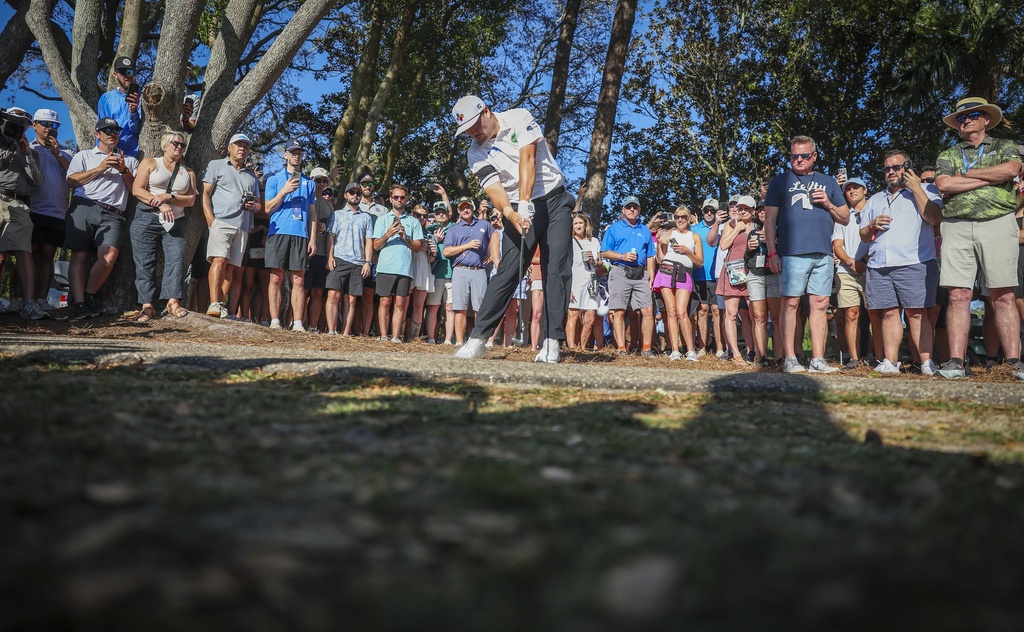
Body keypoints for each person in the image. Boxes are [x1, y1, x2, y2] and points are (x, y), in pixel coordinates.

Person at [449, 95, 576, 363]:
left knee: (557, 268)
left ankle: (552, 341)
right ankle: (478, 338)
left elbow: (527, 158)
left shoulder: (519, 117)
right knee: (508, 270)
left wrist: (527, 201)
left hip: (554, 200)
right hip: (515, 207)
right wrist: (510, 212)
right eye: (466, 130)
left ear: (486, 111)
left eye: (474, 124)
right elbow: (494, 188)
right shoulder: (474, 152)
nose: (472, 132)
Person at [933, 97, 1023, 379]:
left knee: (1003, 294)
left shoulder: (1005, 146)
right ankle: (956, 362)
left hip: (997, 222)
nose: (966, 120)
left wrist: (968, 175)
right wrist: (990, 178)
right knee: (958, 294)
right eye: (961, 118)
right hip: (956, 224)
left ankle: (1013, 362)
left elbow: (1011, 170)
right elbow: (944, 184)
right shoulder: (948, 154)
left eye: (973, 115)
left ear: (986, 119)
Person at [764, 135, 851, 373]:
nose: (799, 160)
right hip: (791, 252)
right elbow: (769, 221)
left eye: (804, 155)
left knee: (821, 304)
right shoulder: (779, 182)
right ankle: (790, 358)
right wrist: (772, 253)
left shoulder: (829, 182)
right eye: (794, 156)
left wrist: (829, 204)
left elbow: (845, 217)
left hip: (823, 252)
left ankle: (818, 359)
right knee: (790, 302)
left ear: (814, 156)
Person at [861, 150, 943, 375]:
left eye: (896, 167)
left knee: (917, 314)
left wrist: (916, 187)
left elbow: (935, 218)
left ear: (908, 167)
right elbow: (863, 235)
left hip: (914, 262)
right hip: (880, 265)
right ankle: (891, 362)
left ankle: (926, 362)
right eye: (887, 168)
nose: (891, 172)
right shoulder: (876, 199)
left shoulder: (927, 190)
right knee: (888, 313)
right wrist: (872, 226)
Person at [63, 117, 139, 319]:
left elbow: (135, 190)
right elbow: (71, 181)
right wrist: (101, 167)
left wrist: (123, 170)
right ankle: (78, 303)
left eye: (115, 130)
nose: (112, 133)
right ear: (97, 134)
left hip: (113, 213)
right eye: (107, 130)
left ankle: (89, 295)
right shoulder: (84, 156)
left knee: (109, 256)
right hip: (84, 206)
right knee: (79, 255)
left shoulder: (130, 160)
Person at [129, 131, 197, 322]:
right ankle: (147, 305)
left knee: (176, 259)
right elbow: (137, 189)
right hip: (146, 218)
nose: (178, 147)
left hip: (175, 221)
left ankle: (172, 301)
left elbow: (191, 200)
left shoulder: (188, 172)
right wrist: (159, 202)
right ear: (164, 145)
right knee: (144, 262)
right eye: (175, 143)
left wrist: (169, 197)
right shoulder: (151, 163)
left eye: (182, 145)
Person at [201, 133, 261, 319]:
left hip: (242, 226)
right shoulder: (216, 165)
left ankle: (219, 305)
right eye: (238, 144)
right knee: (219, 260)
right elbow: (204, 193)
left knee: (231, 268)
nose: (242, 148)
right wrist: (211, 219)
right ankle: (213, 303)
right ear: (229, 147)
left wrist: (254, 206)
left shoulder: (251, 176)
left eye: (245, 146)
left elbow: (259, 205)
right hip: (222, 221)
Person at [0, 107, 47, 320]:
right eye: (12, 124)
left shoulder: (31, 152)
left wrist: (26, 152)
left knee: (23, 251)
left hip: (18, 203)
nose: (16, 129)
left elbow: (37, 182)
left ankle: (29, 303)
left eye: (21, 126)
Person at [264, 137, 316, 331]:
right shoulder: (274, 179)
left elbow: (312, 213)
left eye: (299, 153)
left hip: (300, 234)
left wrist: (313, 239)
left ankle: (298, 323)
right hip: (278, 232)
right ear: (285, 155)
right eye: (293, 152)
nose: (296, 156)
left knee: (299, 279)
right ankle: (275, 321)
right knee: (275, 277)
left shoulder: (309, 183)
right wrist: (284, 191)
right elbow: (267, 208)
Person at [28, 108, 73, 315]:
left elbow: (73, 178)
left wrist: (57, 153)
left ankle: (41, 299)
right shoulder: (28, 149)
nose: (49, 128)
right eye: (45, 124)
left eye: (54, 125)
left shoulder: (67, 152)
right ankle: (24, 299)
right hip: (33, 209)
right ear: (34, 125)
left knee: (47, 255)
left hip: (57, 212)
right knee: (30, 254)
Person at [600, 196, 657, 357]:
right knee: (618, 311)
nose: (632, 209)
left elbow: (651, 256)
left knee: (647, 310)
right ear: (623, 210)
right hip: (620, 271)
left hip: (641, 274)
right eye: (629, 207)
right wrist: (621, 256)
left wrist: (651, 275)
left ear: (639, 210)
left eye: (635, 207)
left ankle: (646, 348)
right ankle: (621, 348)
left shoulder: (644, 230)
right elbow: (604, 252)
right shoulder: (614, 228)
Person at [372, 183, 423, 342]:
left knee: (400, 303)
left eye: (402, 197)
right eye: (396, 197)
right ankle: (383, 335)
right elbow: (375, 246)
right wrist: (388, 234)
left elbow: (418, 247)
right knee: (385, 302)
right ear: (390, 199)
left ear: (406, 200)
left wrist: (405, 237)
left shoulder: (413, 222)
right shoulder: (382, 220)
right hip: (385, 267)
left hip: (404, 269)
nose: (399, 200)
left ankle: (395, 336)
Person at [443, 196, 494, 346]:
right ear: (458, 210)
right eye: (462, 208)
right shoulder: (453, 229)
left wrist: (492, 255)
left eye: (468, 207)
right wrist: (466, 246)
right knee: (460, 308)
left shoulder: (484, 224)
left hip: (479, 270)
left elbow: (495, 237)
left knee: (480, 308)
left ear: (473, 209)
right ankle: (459, 342)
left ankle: (479, 341)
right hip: (460, 270)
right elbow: (446, 251)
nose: (465, 210)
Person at [325, 182, 374, 336]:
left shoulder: (366, 217)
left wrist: (367, 262)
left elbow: (369, 241)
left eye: (358, 193)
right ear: (345, 195)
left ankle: (345, 333)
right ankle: (332, 331)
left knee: (351, 299)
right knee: (334, 294)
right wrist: (330, 256)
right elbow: (330, 237)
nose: (355, 195)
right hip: (339, 258)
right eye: (351, 192)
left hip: (358, 262)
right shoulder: (337, 214)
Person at [654, 204, 702, 361]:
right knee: (671, 312)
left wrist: (687, 251)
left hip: (684, 273)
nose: (680, 219)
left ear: (688, 218)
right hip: (666, 271)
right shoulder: (669, 233)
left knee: (682, 312)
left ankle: (690, 350)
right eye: (677, 217)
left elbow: (699, 262)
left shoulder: (694, 237)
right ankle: (674, 350)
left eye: (683, 217)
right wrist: (660, 245)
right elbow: (660, 259)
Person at [832, 177, 871, 369]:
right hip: (846, 271)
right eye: (848, 189)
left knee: (876, 315)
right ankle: (854, 359)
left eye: (856, 187)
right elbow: (837, 245)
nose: (852, 191)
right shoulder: (843, 216)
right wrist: (850, 262)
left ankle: (877, 356)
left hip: (872, 269)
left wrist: (863, 261)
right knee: (850, 314)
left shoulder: (875, 210)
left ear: (865, 189)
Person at [716, 196, 756, 365]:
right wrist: (736, 228)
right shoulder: (730, 225)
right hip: (732, 273)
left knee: (753, 314)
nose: (742, 211)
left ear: (753, 210)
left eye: (746, 208)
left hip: (752, 272)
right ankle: (736, 354)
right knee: (731, 315)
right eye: (740, 208)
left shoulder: (758, 226)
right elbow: (723, 245)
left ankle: (754, 352)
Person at [745, 204, 781, 366]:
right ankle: (762, 357)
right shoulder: (753, 233)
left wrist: (771, 241)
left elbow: (785, 252)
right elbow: (747, 259)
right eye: (760, 211)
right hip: (755, 276)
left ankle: (780, 357)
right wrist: (749, 249)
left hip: (774, 276)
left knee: (776, 318)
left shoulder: (781, 231)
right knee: (759, 317)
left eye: (765, 211)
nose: (762, 213)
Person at [691, 198, 723, 356]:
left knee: (717, 311)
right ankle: (702, 348)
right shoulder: (694, 229)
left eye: (712, 211)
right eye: (706, 210)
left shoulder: (724, 227)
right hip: (699, 275)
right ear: (702, 211)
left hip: (718, 275)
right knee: (702, 311)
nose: (709, 213)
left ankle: (719, 349)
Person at [566, 212, 603, 350]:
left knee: (590, 318)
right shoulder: (569, 242)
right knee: (573, 315)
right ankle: (571, 348)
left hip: (591, 283)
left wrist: (594, 261)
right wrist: (567, 287)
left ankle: (581, 347)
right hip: (574, 282)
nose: (578, 225)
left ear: (586, 224)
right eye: (575, 223)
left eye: (580, 223)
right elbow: (564, 266)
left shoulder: (594, 241)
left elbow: (600, 264)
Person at [306, 167, 335, 331]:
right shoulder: (304, 198)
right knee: (302, 290)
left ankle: (313, 326)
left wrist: (330, 256)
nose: (322, 184)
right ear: (311, 180)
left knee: (317, 292)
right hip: (305, 251)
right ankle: (296, 322)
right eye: (318, 180)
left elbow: (331, 233)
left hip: (322, 253)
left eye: (325, 181)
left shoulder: (328, 206)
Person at [96, 57, 142, 157]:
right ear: (115, 74)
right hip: (110, 154)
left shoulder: (143, 97)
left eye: (131, 72)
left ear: (135, 75)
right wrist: (99, 154)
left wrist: (133, 112)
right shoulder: (106, 98)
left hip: (135, 155)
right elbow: (102, 128)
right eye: (123, 72)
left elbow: (136, 129)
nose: (128, 75)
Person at [425, 204, 455, 344]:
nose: (441, 215)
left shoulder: (455, 228)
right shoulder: (428, 230)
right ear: (434, 215)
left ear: (448, 214)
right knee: (433, 307)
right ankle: (431, 338)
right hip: (435, 274)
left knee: (449, 307)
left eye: (443, 212)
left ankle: (448, 340)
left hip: (452, 274)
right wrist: (435, 241)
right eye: (438, 213)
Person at [407, 204, 437, 340]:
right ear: (412, 215)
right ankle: (399, 335)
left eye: (425, 216)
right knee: (402, 304)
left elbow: (430, 259)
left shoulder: (429, 234)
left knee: (419, 307)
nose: (422, 218)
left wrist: (433, 253)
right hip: (407, 266)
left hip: (423, 268)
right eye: (418, 215)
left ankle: (414, 338)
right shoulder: (407, 230)